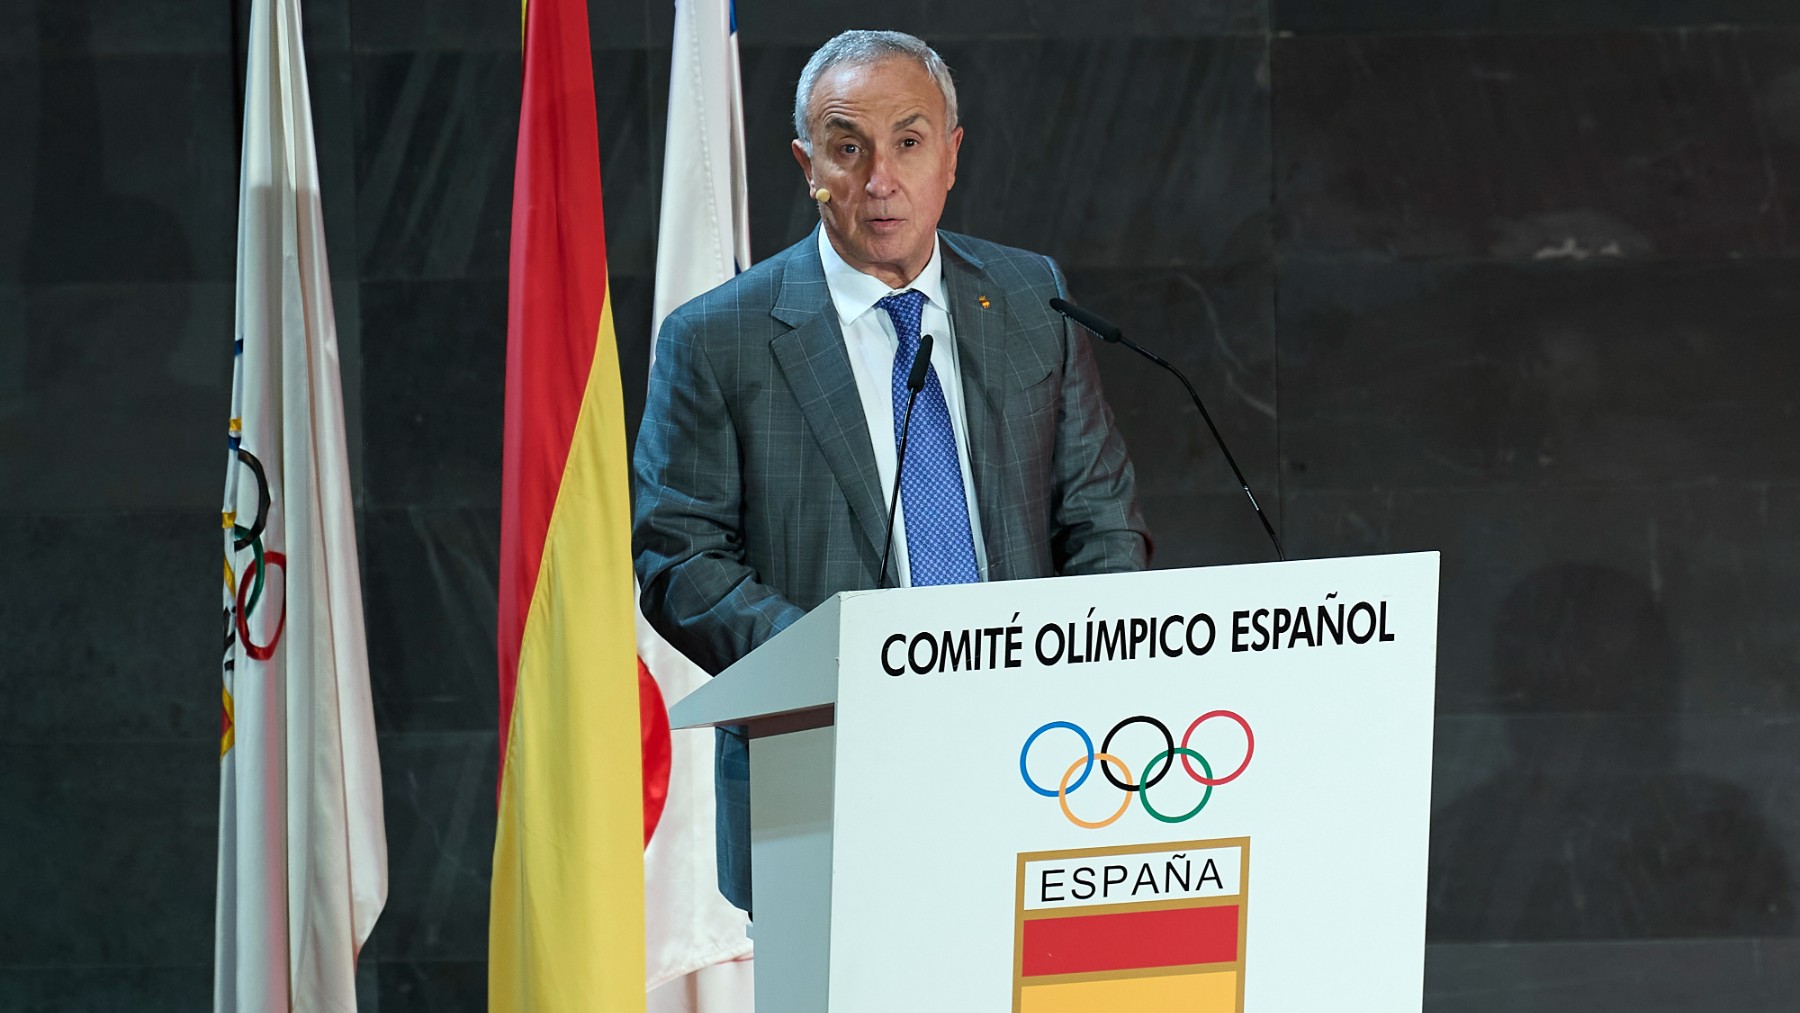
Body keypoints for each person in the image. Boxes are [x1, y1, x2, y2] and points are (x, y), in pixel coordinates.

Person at [632, 29, 1150, 912]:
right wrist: (861, 672)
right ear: (806, 163)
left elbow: (1101, 521)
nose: (880, 178)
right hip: (828, 773)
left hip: (1040, 763)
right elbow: (681, 561)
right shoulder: (719, 338)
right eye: (847, 146)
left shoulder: (1032, 301)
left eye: (909, 142)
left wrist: (1079, 682)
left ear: (951, 155)